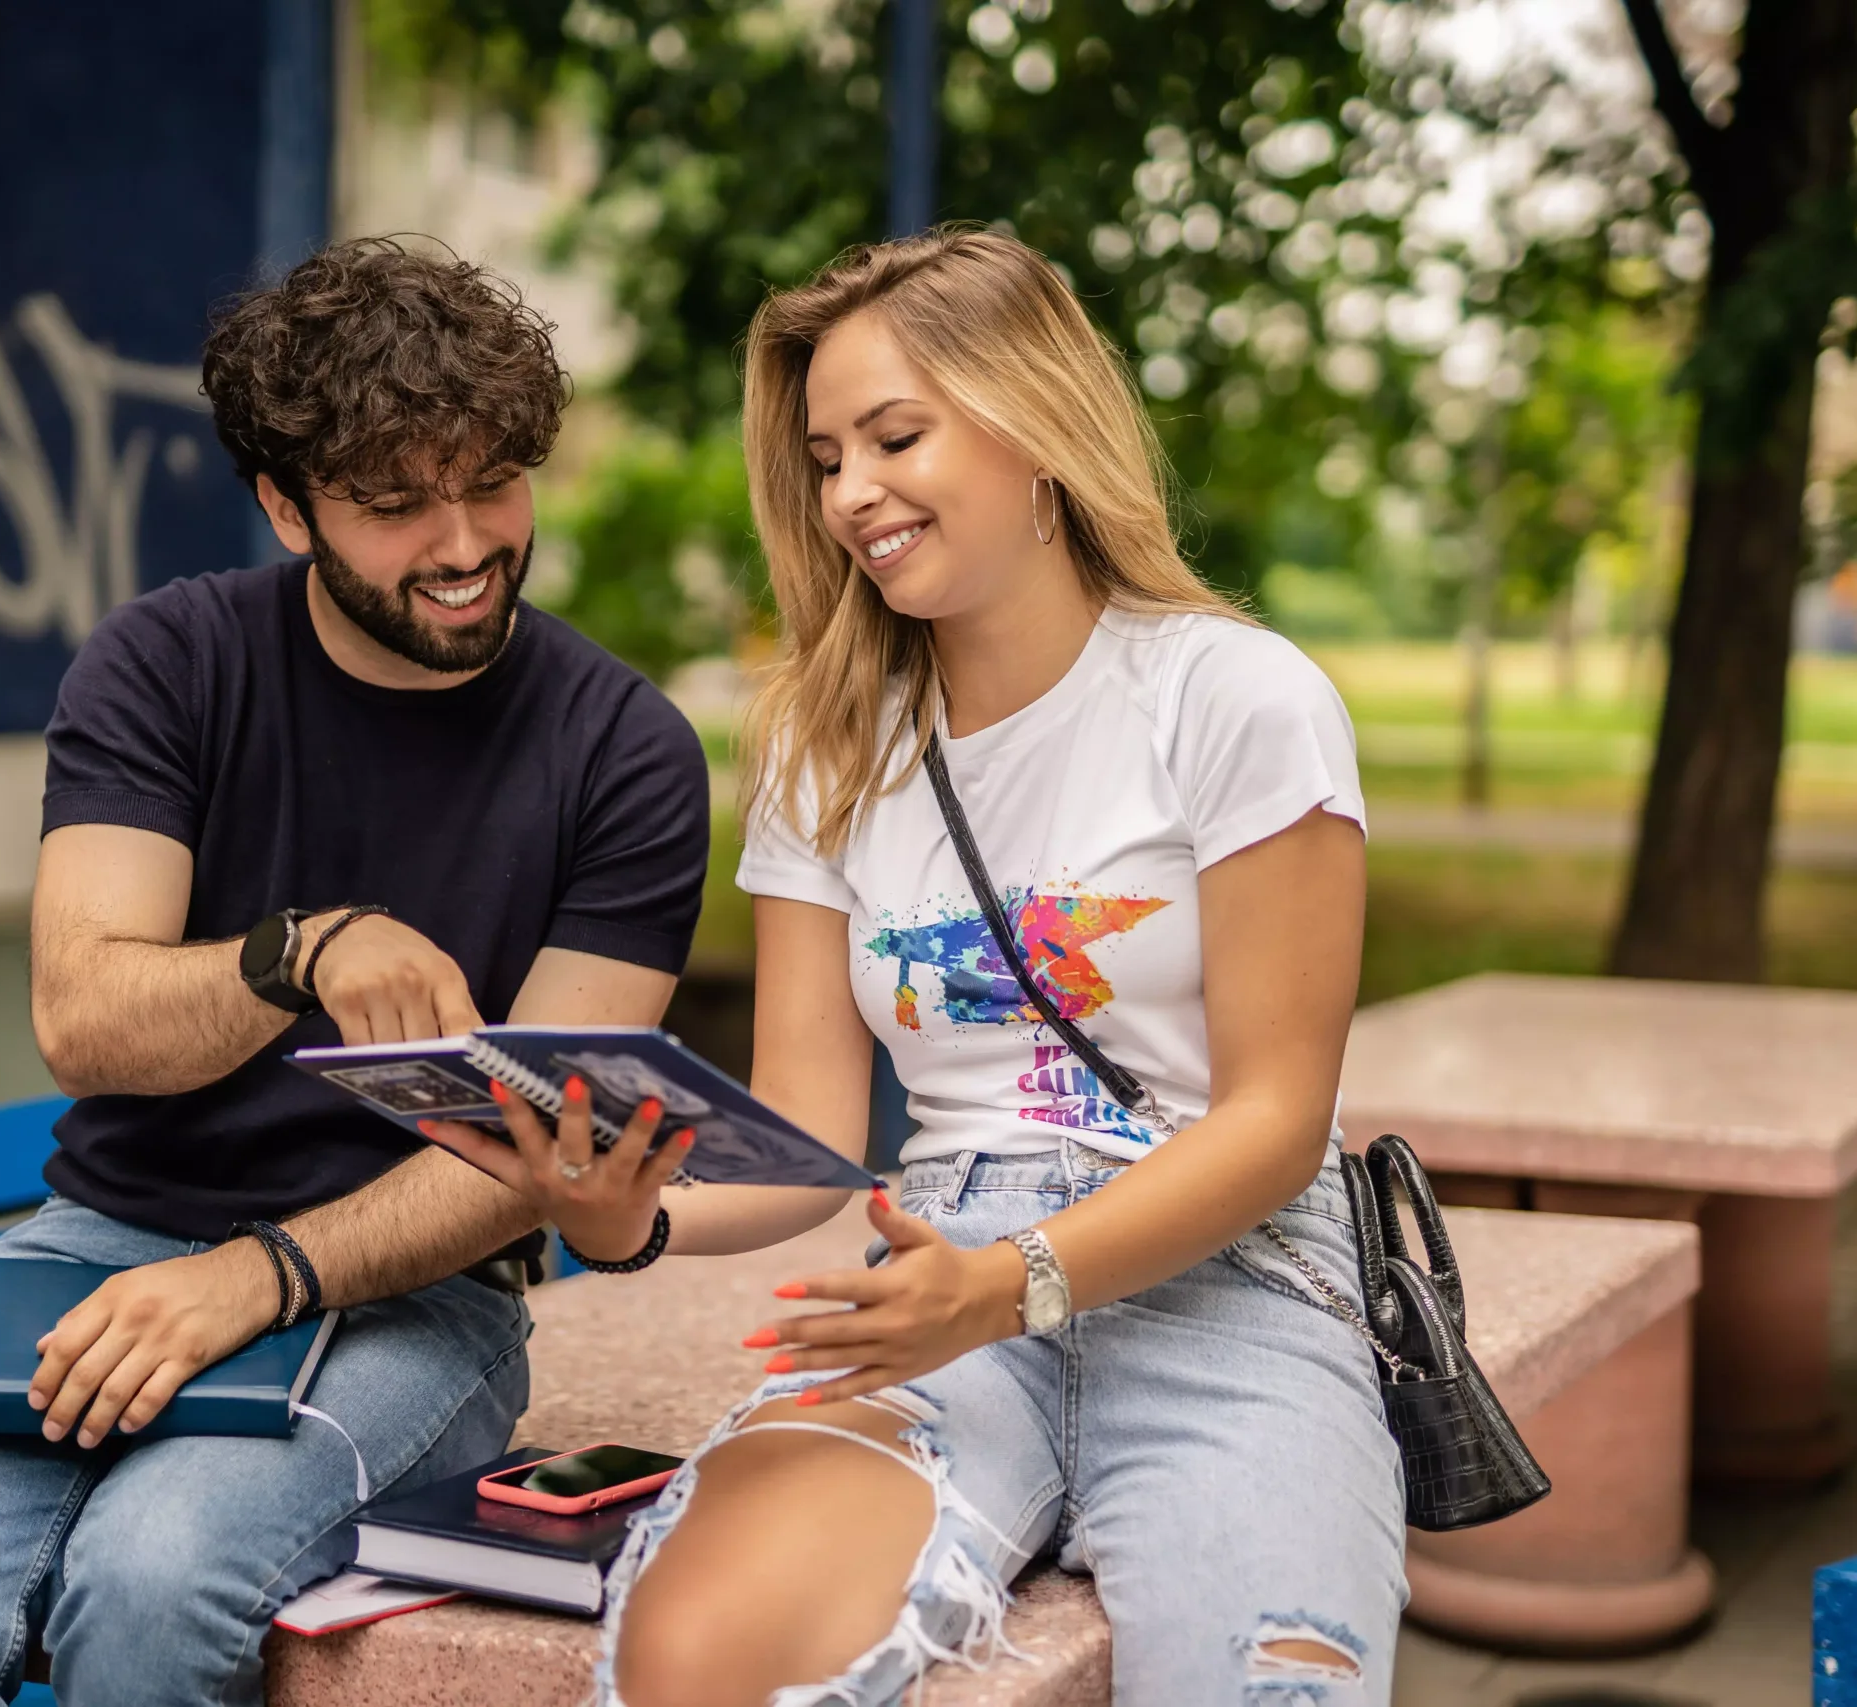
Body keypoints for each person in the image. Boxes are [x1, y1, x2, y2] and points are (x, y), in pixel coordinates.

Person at [434, 227, 1399, 1707]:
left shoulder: (1232, 695)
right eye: (827, 457)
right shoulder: (829, 749)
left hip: (1233, 1282)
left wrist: (1021, 1282)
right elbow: (812, 1144)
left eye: (896, 436)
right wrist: (626, 1219)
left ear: (1042, 430)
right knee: (698, 1651)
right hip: (936, 1272)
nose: (852, 494)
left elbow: (1276, 1120)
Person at [0, 238, 711, 1706]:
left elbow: (536, 1140)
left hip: (418, 1296)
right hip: (100, 1244)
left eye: (492, 481)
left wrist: (260, 1274)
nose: (465, 540)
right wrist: (300, 952)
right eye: (397, 504)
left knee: (152, 1591)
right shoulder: (166, 663)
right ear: (287, 505)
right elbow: (85, 1022)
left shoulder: (624, 750)